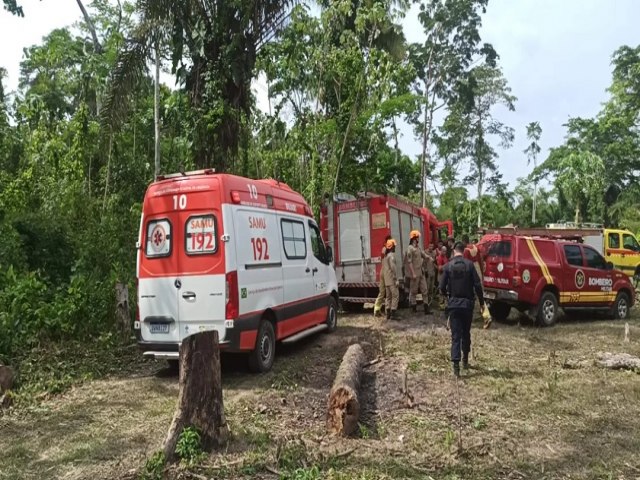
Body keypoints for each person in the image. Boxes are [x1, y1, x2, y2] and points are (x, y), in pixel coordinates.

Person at [439, 242, 486, 377]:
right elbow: (477, 285)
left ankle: (456, 367)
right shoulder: (470, 265)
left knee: (455, 336)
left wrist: (448, 297)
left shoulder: (448, 266)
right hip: (467, 305)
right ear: (463, 251)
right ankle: (465, 359)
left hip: (454, 305)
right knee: (466, 332)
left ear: (454, 251)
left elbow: (441, 287)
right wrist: (482, 303)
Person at [462, 235, 490, 328]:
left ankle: (479, 316)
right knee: (480, 295)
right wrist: (482, 274)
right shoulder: (476, 247)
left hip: (471, 273)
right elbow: (481, 261)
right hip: (478, 271)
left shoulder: (466, 250)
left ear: (463, 242)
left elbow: (466, 264)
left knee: (470, 295)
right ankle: (484, 315)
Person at [404, 230, 431, 314]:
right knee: (414, 291)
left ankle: (426, 308)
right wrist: (413, 273)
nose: (418, 239)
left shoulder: (418, 248)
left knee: (425, 290)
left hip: (421, 272)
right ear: (414, 239)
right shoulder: (410, 248)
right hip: (415, 274)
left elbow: (423, 254)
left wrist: (429, 258)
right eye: (417, 237)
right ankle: (413, 308)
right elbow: (409, 262)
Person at [373, 235, 393, 317]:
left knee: (382, 292)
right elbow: (383, 255)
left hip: (383, 271)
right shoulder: (385, 249)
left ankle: (378, 309)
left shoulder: (386, 248)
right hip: (385, 272)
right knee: (387, 292)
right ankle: (384, 310)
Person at [382, 238, 399, 320]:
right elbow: (393, 268)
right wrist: (396, 279)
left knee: (388, 297)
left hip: (386, 280)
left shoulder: (385, 257)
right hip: (392, 279)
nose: (395, 247)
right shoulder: (391, 256)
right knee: (395, 295)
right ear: (392, 247)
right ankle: (393, 313)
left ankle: (388, 313)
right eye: (394, 246)